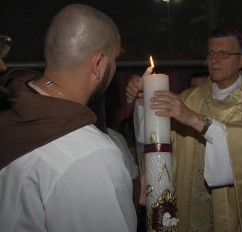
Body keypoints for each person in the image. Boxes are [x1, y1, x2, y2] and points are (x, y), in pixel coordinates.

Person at [127, 29, 242, 232]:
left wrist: (192, 118)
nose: (215, 60)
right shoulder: (189, 98)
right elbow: (157, 141)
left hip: (231, 211)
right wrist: (143, 101)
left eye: (224, 54)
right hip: (188, 206)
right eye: (210, 53)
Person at [0, 4, 142, 232]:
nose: (114, 68)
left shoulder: (13, 109)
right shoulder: (90, 154)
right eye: (114, 59)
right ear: (98, 64)